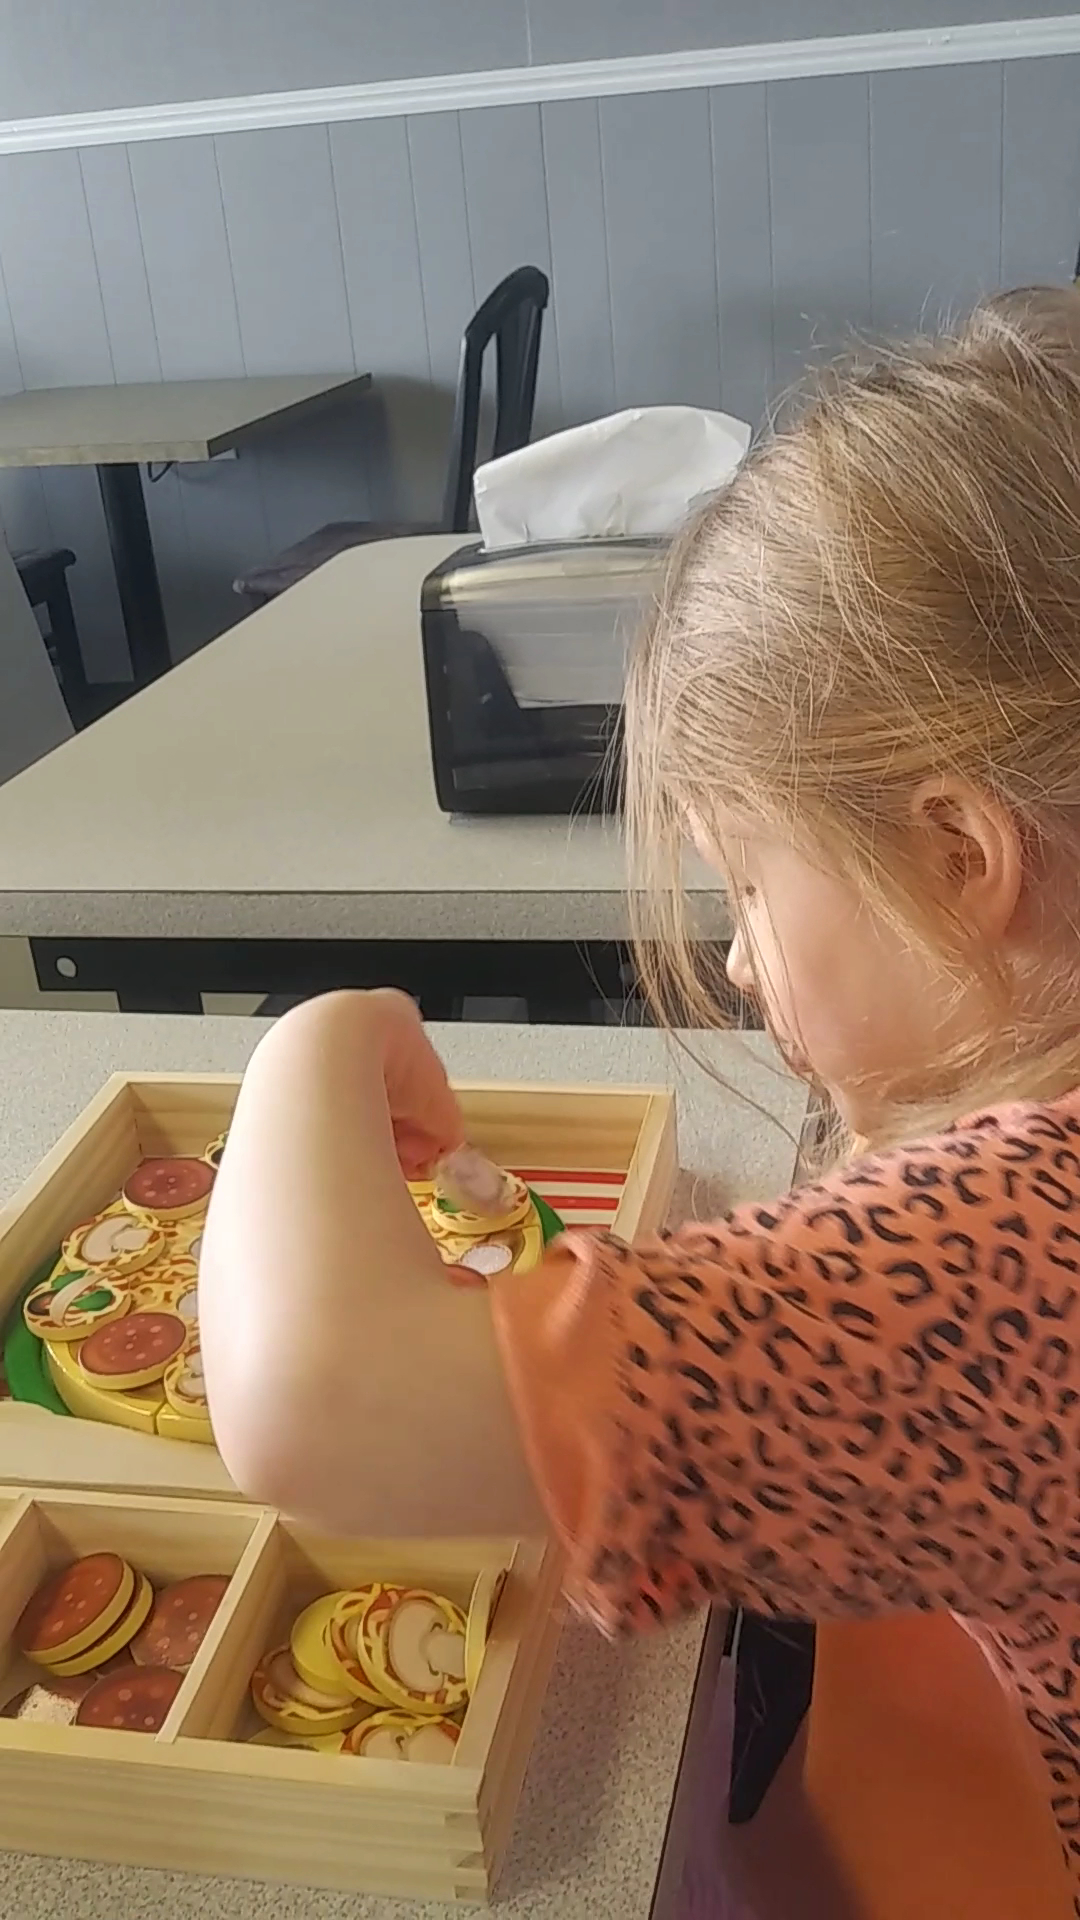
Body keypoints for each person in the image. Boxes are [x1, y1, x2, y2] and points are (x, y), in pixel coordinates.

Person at [200, 287, 1080, 1918]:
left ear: (963, 856)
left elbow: (318, 1401)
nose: (737, 961)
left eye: (749, 884)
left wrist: (307, 1043)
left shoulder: (1015, 1257)